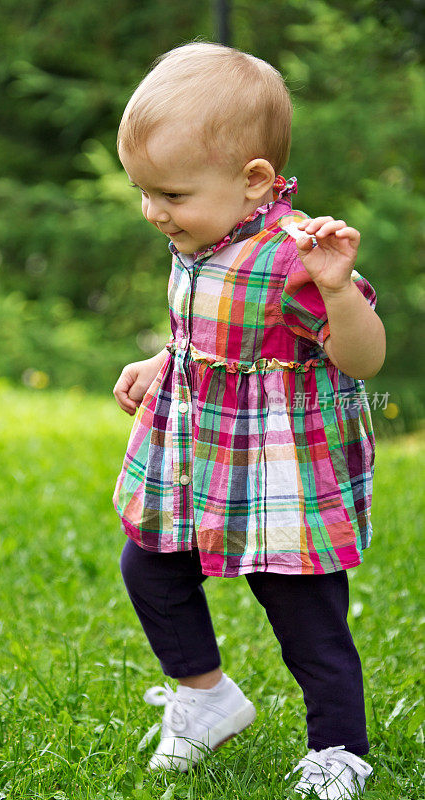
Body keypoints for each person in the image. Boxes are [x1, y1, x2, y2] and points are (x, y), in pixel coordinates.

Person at [112, 42, 385, 799]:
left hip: (278, 467)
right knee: (149, 565)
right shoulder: (202, 232)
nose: (152, 211)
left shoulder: (296, 258)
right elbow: (205, 334)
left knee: (301, 608)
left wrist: (337, 294)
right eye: (142, 191)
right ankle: (204, 697)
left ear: (253, 181)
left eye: (168, 193)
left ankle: (338, 747)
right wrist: (161, 364)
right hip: (196, 452)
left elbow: (363, 361)